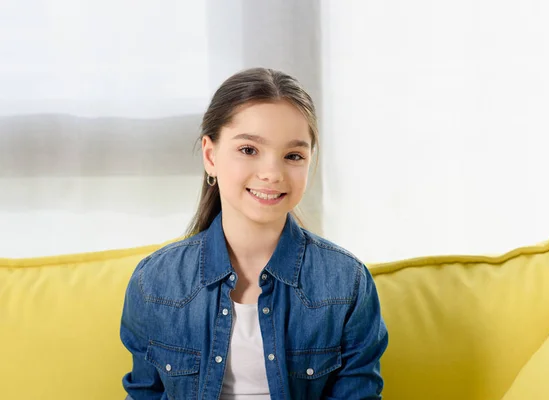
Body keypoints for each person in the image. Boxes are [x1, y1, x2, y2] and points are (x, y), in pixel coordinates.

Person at [120, 67, 388, 399]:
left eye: (293, 156)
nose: (272, 173)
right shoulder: (154, 283)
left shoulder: (346, 283)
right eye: (249, 150)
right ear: (210, 155)